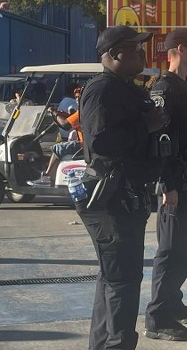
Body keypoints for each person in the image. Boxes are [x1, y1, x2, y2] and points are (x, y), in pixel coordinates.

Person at [77, 25, 167, 350]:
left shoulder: (125, 88)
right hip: (111, 197)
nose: (142, 54)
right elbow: (101, 142)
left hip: (126, 194)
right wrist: (146, 125)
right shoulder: (102, 89)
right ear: (114, 54)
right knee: (122, 282)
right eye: (135, 48)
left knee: (115, 279)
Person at [145, 28, 187, 342]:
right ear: (181, 50)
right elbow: (159, 139)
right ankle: (158, 318)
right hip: (174, 182)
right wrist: (166, 183)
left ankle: (172, 302)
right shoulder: (165, 88)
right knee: (172, 251)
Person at [28, 106, 82, 186]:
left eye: (78, 99)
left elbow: (65, 124)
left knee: (57, 148)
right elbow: (68, 120)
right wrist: (57, 114)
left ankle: (46, 177)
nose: (77, 100)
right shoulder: (86, 111)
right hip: (84, 143)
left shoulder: (81, 112)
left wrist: (55, 112)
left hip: (82, 144)